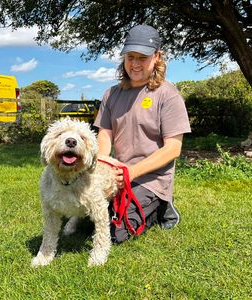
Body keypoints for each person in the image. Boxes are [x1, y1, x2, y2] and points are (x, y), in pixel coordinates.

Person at [94, 24, 191, 243]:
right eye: (130, 57)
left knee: (114, 233)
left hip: (150, 179)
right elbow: (104, 134)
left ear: (156, 57)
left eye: (142, 57)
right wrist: (101, 164)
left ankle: (162, 208)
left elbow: (173, 149)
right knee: (87, 217)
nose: (135, 64)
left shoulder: (168, 95)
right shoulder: (111, 94)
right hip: (118, 175)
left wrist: (133, 172)